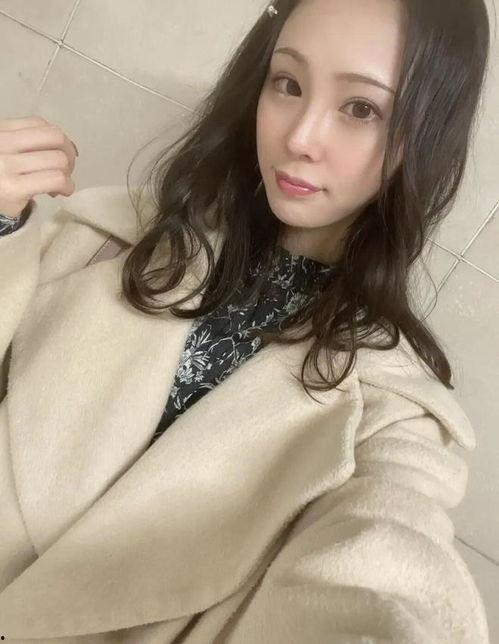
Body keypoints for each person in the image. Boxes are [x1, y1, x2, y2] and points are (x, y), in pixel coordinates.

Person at [0, 0, 492, 641]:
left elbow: (389, 562)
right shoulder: (109, 236)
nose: (300, 137)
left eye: (361, 108)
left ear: (425, 134)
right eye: (287, 83)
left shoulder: (391, 410)